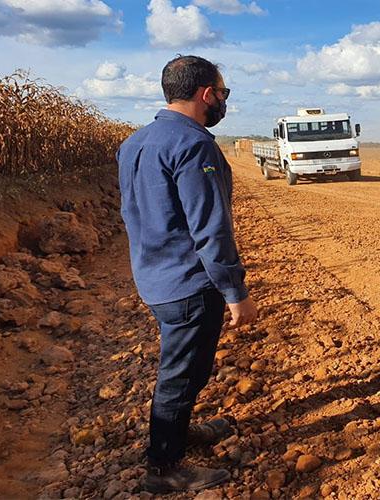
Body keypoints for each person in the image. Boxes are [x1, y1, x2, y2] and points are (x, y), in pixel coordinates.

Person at [117, 55, 258, 494]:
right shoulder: (195, 145)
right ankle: (164, 468)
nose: (222, 102)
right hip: (188, 284)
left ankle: (180, 432)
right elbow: (210, 227)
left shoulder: (134, 142)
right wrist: (235, 291)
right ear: (205, 94)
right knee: (181, 374)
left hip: (153, 277)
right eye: (222, 93)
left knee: (188, 368)